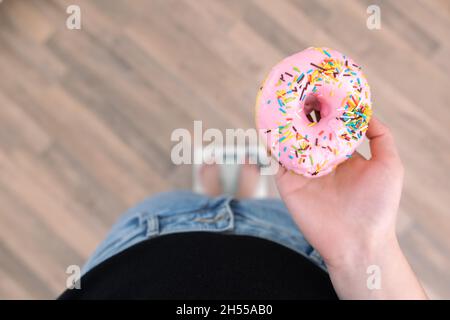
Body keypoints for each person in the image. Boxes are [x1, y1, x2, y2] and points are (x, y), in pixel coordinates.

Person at [60, 117, 427, 300]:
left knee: (186, 202)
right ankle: (240, 198)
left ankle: (222, 196)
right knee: (267, 209)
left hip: (149, 235)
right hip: (305, 248)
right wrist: (364, 245)